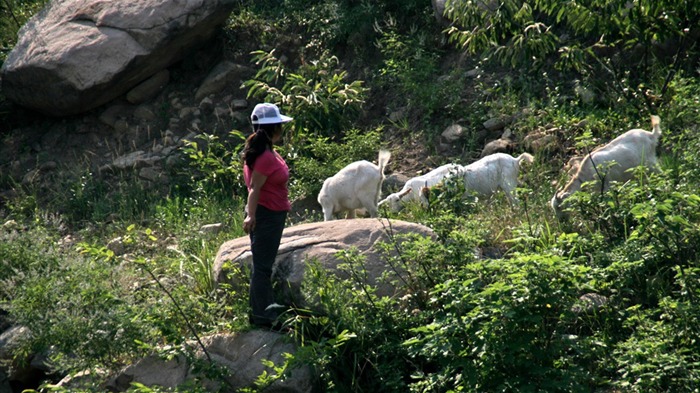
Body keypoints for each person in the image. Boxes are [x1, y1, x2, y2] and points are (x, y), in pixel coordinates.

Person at [242, 103, 293, 329]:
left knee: (263, 266)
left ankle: (260, 313)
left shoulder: (266, 150)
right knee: (262, 268)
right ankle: (265, 318)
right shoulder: (263, 156)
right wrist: (250, 215)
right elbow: (254, 188)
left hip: (273, 212)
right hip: (267, 215)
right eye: (279, 126)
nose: (282, 129)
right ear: (271, 128)